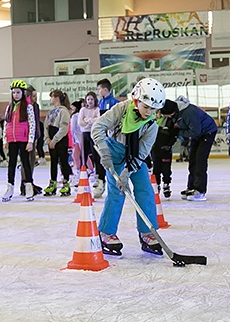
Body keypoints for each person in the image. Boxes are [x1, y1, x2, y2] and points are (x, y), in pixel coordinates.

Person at [93, 78, 165, 256]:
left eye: (153, 109)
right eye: (146, 106)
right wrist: (105, 153)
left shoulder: (151, 125)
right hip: (114, 151)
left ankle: (147, 232)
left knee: (145, 189)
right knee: (118, 190)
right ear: (136, 100)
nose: (148, 112)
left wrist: (127, 172)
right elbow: (97, 127)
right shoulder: (121, 109)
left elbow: (141, 153)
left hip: (134, 157)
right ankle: (106, 232)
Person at [161, 96, 217, 202]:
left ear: (172, 112)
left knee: (200, 160)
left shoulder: (188, 112)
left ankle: (200, 190)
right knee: (192, 159)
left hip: (207, 132)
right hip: (197, 134)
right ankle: (191, 187)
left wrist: (178, 133)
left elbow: (196, 131)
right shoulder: (176, 112)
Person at [2, 80, 36, 202]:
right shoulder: (9, 107)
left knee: (25, 163)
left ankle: (29, 187)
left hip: (23, 139)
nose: (15, 95)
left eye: (18, 92)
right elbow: (6, 124)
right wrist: (5, 139)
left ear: (23, 93)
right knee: (11, 164)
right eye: (14, 92)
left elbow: (32, 124)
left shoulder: (28, 107)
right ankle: (9, 187)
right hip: (12, 139)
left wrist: (30, 141)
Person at [43, 89, 72, 196]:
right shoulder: (51, 112)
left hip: (60, 140)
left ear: (56, 98)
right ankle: (53, 182)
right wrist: (47, 139)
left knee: (63, 162)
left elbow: (63, 128)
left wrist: (55, 140)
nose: (50, 99)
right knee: (53, 162)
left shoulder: (64, 111)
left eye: (52, 97)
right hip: (51, 140)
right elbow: (45, 126)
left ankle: (66, 183)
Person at [79, 91, 103, 196]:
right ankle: (85, 173)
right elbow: (80, 122)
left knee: (95, 155)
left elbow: (98, 120)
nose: (90, 101)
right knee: (84, 155)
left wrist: (87, 120)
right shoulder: (83, 110)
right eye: (88, 99)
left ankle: (97, 175)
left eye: (92, 99)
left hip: (93, 134)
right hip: (85, 133)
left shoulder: (97, 110)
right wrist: (90, 121)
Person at [70, 99, 84, 185]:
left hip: (77, 137)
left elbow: (72, 128)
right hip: (79, 136)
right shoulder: (79, 115)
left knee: (80, 154)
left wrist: (72, 138)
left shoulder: (75, 116)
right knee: (76, 154)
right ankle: (78, 171)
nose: (72, 109)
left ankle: (89, 170)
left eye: (72, 108)